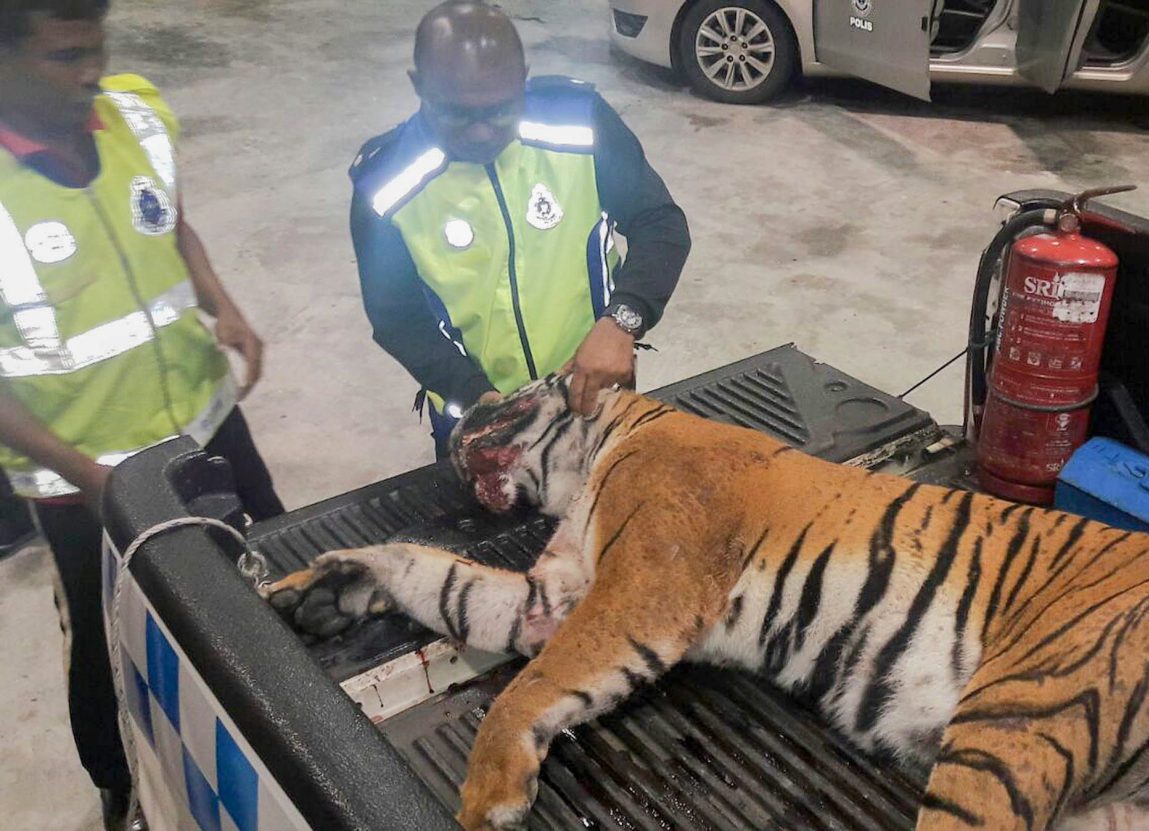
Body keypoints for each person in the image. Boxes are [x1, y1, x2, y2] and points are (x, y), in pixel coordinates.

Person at [0, 2, 284, 827]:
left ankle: (298, 718)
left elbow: (171, 223)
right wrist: (87, 476)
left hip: (203, 422)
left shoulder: (133, 112)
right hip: (80, 473)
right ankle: (119, 781)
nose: (91, 71)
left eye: (97, 48)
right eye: (64, 57)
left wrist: (221, 302)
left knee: (274, 558)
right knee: (109, 642)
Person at [350, 0, 691, 456]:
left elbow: (659, 223)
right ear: (418, 85)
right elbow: (397, 318)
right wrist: (478, 400)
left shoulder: (580, 123)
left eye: (500, 110)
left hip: (592, 389)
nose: (481, 133)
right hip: (474, 414)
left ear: (523, 79)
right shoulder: (386, 185)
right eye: (456, 114)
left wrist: (621, 322)